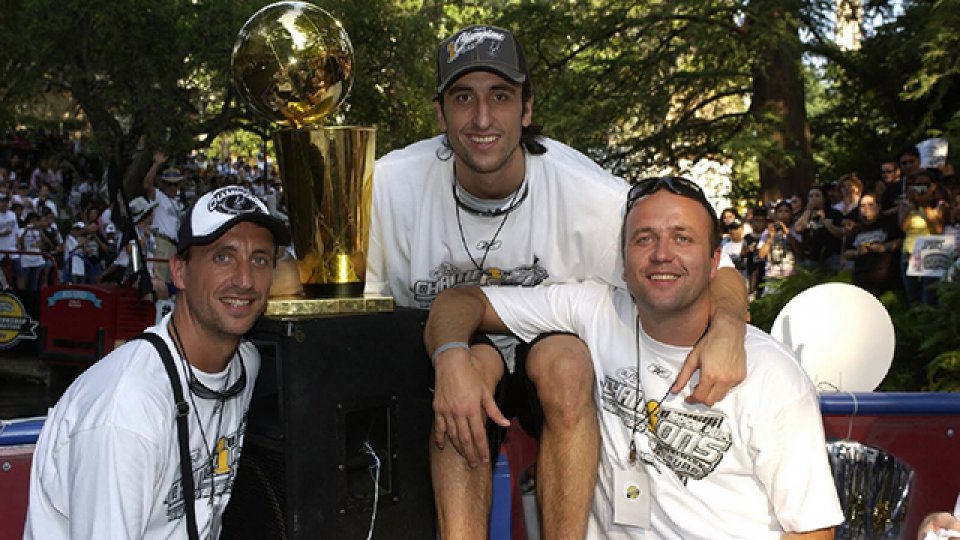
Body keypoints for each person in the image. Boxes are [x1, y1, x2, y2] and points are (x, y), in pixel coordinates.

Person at [366, 24, 749, 539]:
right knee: (469, 365)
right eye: (464, 98)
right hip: (435, 368)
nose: (482, 118)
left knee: (566, 361)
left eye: (500, 97)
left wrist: (727, 327)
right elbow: (314, 276)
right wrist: (450, 356)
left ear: (526, 108)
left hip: (546, 369)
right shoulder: (386, 184)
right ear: (440, 113)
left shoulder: (591, 196)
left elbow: (715, 270)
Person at [424, 176, 843, 539]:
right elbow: (461, 302)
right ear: (623, 263)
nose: (662, 254)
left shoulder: (772, 375)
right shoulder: (598, 311)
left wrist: (731, 322)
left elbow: (813, 529)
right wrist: (450, 358)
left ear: (715, 261)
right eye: (645, 238)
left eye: (683, 238)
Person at [24, 185, 290, 539]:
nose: (244, 280)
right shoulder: (126, 413)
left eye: (259, 259)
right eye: (222, 257)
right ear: (179, 272)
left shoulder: (245, 363)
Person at [843, 192, 903, 296]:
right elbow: (846, 253)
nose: (866, 208)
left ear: (879, 207)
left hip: (886, 279)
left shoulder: (889, 224)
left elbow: (901, 241)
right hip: (861, 278)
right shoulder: (856, 229)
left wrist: (884, 247)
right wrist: (857, 252)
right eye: (862, 206)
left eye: (871, 205)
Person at [144, 150, 184, 283]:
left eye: (175, 184)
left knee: (170, 283)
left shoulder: (178, 203)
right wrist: (156, 164)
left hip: (174, 246)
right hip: (161, 243)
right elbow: (146, 185)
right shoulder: (159, 197)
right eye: (169, 184)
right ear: (163, 184)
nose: (173, 187)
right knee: (159, 281)